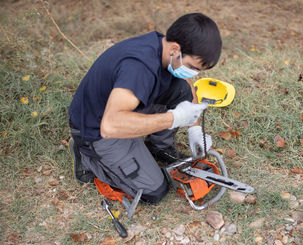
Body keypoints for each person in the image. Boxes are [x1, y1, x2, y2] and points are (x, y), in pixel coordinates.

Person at [68, 13, 222, 204]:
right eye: (191, 66)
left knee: (181, 90)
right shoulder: (139, 68)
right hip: (98, 128)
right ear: (175, 49)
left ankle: (158, 148)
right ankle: (87, 156)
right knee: (154, 190)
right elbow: (110, 126)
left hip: (120, 111)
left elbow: (186, 86)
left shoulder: (163, 46)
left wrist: (195, 128)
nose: (193, 73)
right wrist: (174, 118)